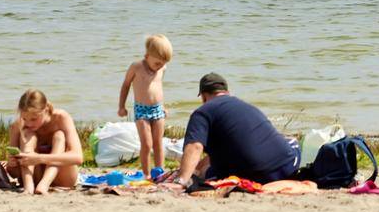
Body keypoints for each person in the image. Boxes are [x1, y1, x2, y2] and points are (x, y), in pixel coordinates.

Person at [164, 73, 300, 189]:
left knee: (207, 172)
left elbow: (195, 147)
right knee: (291, 141)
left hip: (256, 175)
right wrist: (196, 168)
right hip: (286, 167)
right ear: (227, 92)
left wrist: (181, 180)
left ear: (204, 96)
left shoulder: (202, 113)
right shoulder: (244, 106)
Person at [5, 89, 83, 194]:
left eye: (34, 119)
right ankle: (29, 186)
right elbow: (13, 174)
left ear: (45, 110)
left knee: (59, 135)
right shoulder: (17, 126)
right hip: (34, 178)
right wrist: (12, 164)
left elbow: (78, 157)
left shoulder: (60, 118)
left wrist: (39, 158)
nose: (29, 123)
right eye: (24, 118)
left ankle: (44, 184)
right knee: (27, 133)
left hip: (63, 179)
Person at [118, 34, 173, 180]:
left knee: (158, 143)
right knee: (147, 144)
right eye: (157, 63)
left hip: (158, 109)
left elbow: (158, 87)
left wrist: (164, 106)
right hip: (141, 110)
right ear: (147, 56)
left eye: (163, 63)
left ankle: (159, 172)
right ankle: (146, 174)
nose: (160, 66)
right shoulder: (136, 67)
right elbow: (126, 85)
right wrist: (121, 106)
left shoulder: (162, 68)